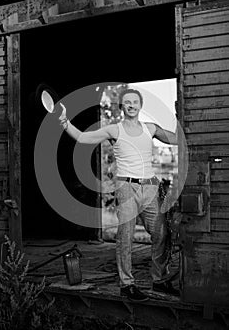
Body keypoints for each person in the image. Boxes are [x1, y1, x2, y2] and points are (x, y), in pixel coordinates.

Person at [59, 88, 178, 301]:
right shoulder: (114, 130)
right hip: (126, 187)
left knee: (162, 234)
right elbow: (84, 138)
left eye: (135, 102)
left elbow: (175, 140)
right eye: (127, 102)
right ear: (122, 106)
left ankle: (159, 280)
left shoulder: (150, 128)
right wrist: (65, 122)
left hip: (151, 187)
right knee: (125, 237)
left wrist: (182, 119)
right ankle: (127, 284)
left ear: (140, 105)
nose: (131, 105)